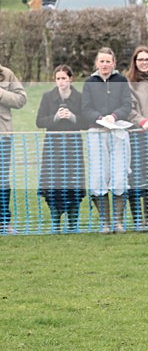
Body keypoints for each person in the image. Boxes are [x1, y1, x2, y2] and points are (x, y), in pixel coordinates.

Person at [81, 47, 132, 234]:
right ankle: (105, 222)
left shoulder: (121, 81)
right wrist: (100, 118)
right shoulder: (89, 83)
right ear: (97, 63)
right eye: (101, 61)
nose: (104, 65)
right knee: (98, 176)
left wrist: (114, 116)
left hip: (118, 132)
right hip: (97, 133)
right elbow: (85, 108)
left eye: (108, 61)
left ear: (113, 63)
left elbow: (127, 105)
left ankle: (118, 222)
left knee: (119, 176)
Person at [35, 65, 86, 233]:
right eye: (58, 78)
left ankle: (72, 224)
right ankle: (55, 223)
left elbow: (86, 122)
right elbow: (39, 121)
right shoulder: (47, 97)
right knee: (53, 183)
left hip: (73, 146)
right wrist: (55, 118)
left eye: (64, 78)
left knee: (74, 182)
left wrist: (73, 118)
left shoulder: (79, 97)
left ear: (70, 79)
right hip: (53, 147)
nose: (61, 82)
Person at [126, 46, 148, 231]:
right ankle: (137, 220)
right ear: (135, 62)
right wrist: (142, 121)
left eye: (147, 59)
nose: (144, 63)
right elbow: (129, 109)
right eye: (140, 60)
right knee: (135, 177)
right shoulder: (129, 84)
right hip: (136, 135)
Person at [0, 62, 27, 235]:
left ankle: (4, 222)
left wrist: (2, 94)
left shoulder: (7, 73)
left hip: (3, 135)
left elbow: (21, 99)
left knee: (2, 179)